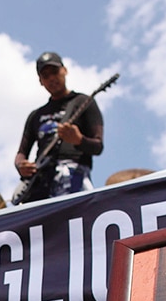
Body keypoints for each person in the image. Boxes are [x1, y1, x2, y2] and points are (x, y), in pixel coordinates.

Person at [13, 51, 104, 203]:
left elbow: (98, 146)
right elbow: (21, 153)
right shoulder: (36, 115)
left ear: (64, 70)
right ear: (40, 81)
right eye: (45, 76)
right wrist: (20, 166)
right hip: (40, 184)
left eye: (54, 72)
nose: (51, 79)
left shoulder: (83, 102)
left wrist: (79, 140)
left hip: (73, 176)